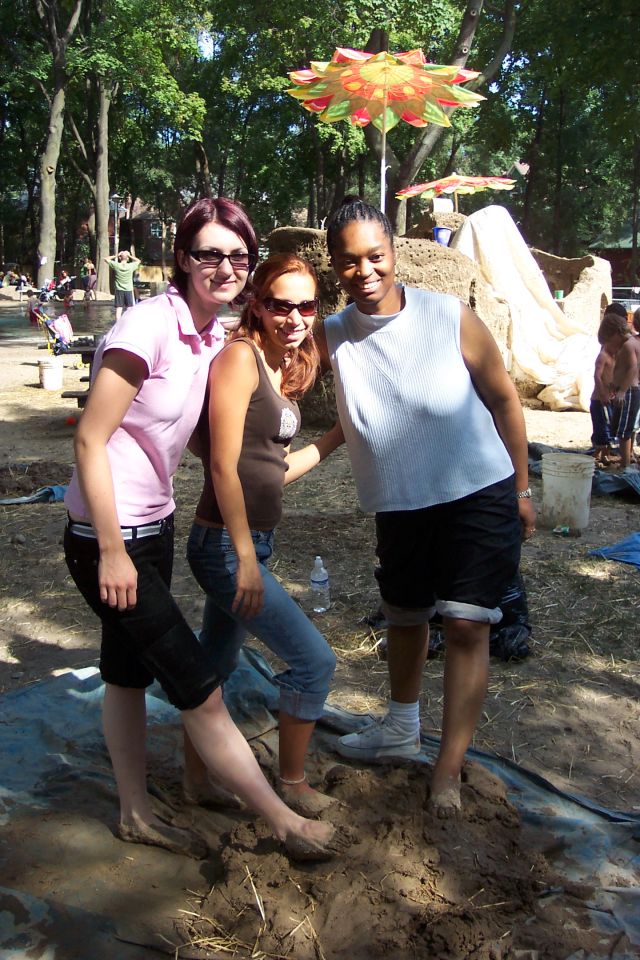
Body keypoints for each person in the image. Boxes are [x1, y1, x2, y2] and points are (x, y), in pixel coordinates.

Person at [63, 197, 340, 862]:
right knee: (198, 686)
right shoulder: (148, 326)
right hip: (109, 536)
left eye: (238, 255)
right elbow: (90, 439)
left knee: (126, 673)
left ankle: (135, 811)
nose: (225, 266)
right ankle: (284, 820)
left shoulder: (212, 336)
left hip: (156, 524)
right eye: (209, 253)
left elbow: (193, 434)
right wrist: (111, 551)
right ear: (183, 259)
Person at [318, 197, 535, 818]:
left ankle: (447, 769)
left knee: (466, 625)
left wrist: (522, 490)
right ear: (335, 266)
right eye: (349, 261)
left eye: (375, 256)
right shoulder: (332, 334)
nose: (365, 271)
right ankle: (401, 728)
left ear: (395, 252)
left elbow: (505, 401)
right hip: (401, 502)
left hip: (478, 493)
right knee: (406, 617)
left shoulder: (449, 316)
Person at [186, 254, 344, 818]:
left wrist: (335, 439)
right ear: (256, 303)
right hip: (226, 548)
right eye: (281, 305)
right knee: (314, 662)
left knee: (215, 666)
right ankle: (292, 784)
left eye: (306, 306)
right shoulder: (241, 359)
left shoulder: (283, 364)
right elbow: (223, 467)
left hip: (251, 544)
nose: (295, 318)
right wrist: (246, 560)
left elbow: (271, 470)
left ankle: (195, 779)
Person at [599, 312, 640, 469]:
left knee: (624, 431)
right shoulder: (628, 344)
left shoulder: (629, 345)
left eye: (609, 341)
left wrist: (622, 390)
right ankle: (625, 461)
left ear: (616, 333)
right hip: (625, 390)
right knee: (619, 428)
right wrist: (614, 385)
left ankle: (625, 465)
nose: (610, 346)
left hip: (629, 392)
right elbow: (621, 369)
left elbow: (632, 368)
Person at [590, 336, 616, 466]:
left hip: (610, 399)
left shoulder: (615, 357)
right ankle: (597, 456)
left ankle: (604, 454)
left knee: (610, 428)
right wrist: (602, 393)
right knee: (602, 429)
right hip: (599, 401)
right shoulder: (603, 356)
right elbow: (597, 376)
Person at [105, 249, 141, 322]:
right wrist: (129, 255)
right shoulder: (131, 266)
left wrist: (117, 255)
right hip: (128, 290)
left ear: (120, 258)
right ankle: (128, 324)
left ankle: (118, 325)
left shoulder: (116, 265)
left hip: (119, 290)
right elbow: (138, 261)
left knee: (119, 309)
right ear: (127, 259)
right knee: (129, 309)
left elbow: (106, 259)